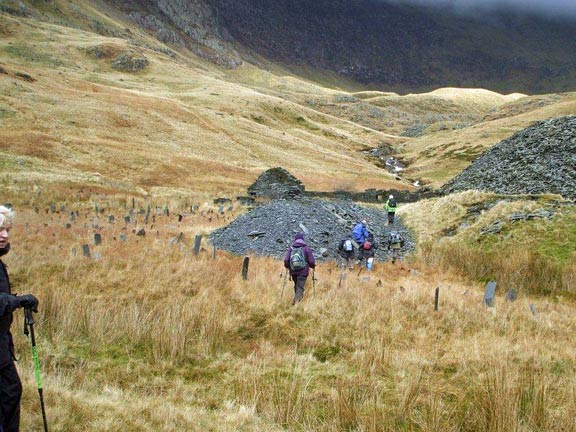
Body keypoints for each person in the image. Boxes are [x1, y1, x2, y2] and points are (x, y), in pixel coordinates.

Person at [0, 205, 39, 432]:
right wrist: (17, 301)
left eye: (7, 229)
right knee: (9, 393)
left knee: (11, 392)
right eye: (0, 230)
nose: (5, 235)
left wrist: (16, 300)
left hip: (2, 344)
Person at [284, 233, 315, 305]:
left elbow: (286, 260)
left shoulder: (291, 248)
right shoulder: (306, 248)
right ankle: (296, 303)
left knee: (296, 285)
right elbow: (311, 261)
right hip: (303, 271)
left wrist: (288, 266)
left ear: (295, 239)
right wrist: (312, 266)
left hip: (293, 271)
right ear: (303, 240)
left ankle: (295, 300)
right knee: (300, 286)